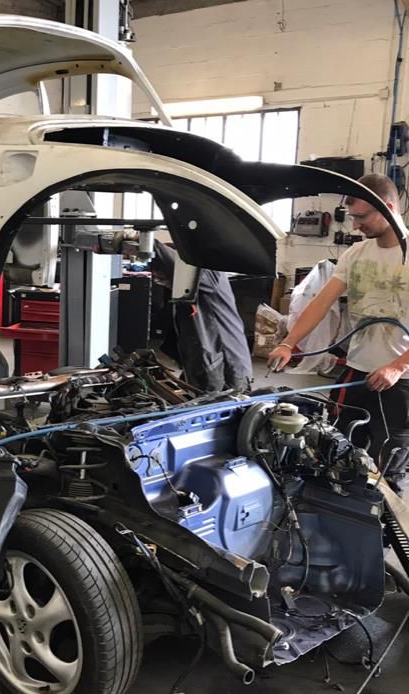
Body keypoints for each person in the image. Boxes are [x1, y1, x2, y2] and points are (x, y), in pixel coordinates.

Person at [268, 173, 409, 489]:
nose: (356, 226)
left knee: (388, 469)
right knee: (338, 451)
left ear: (387, 207)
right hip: (358, 369)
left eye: (361, 217)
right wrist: (290, 344)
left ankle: (383, 531)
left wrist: (398, 366)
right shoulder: (355, 255)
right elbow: (320, 303)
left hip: (401, 381)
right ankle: (342, 521)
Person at [150, 239, 253, 392]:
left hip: (226, 368)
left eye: (164, 277)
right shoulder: (184, 291)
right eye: (159, 280)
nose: (163, 282)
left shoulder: (207, 274)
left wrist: (145, 241)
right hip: (205, 363)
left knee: (219, 412)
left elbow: (172, 260)